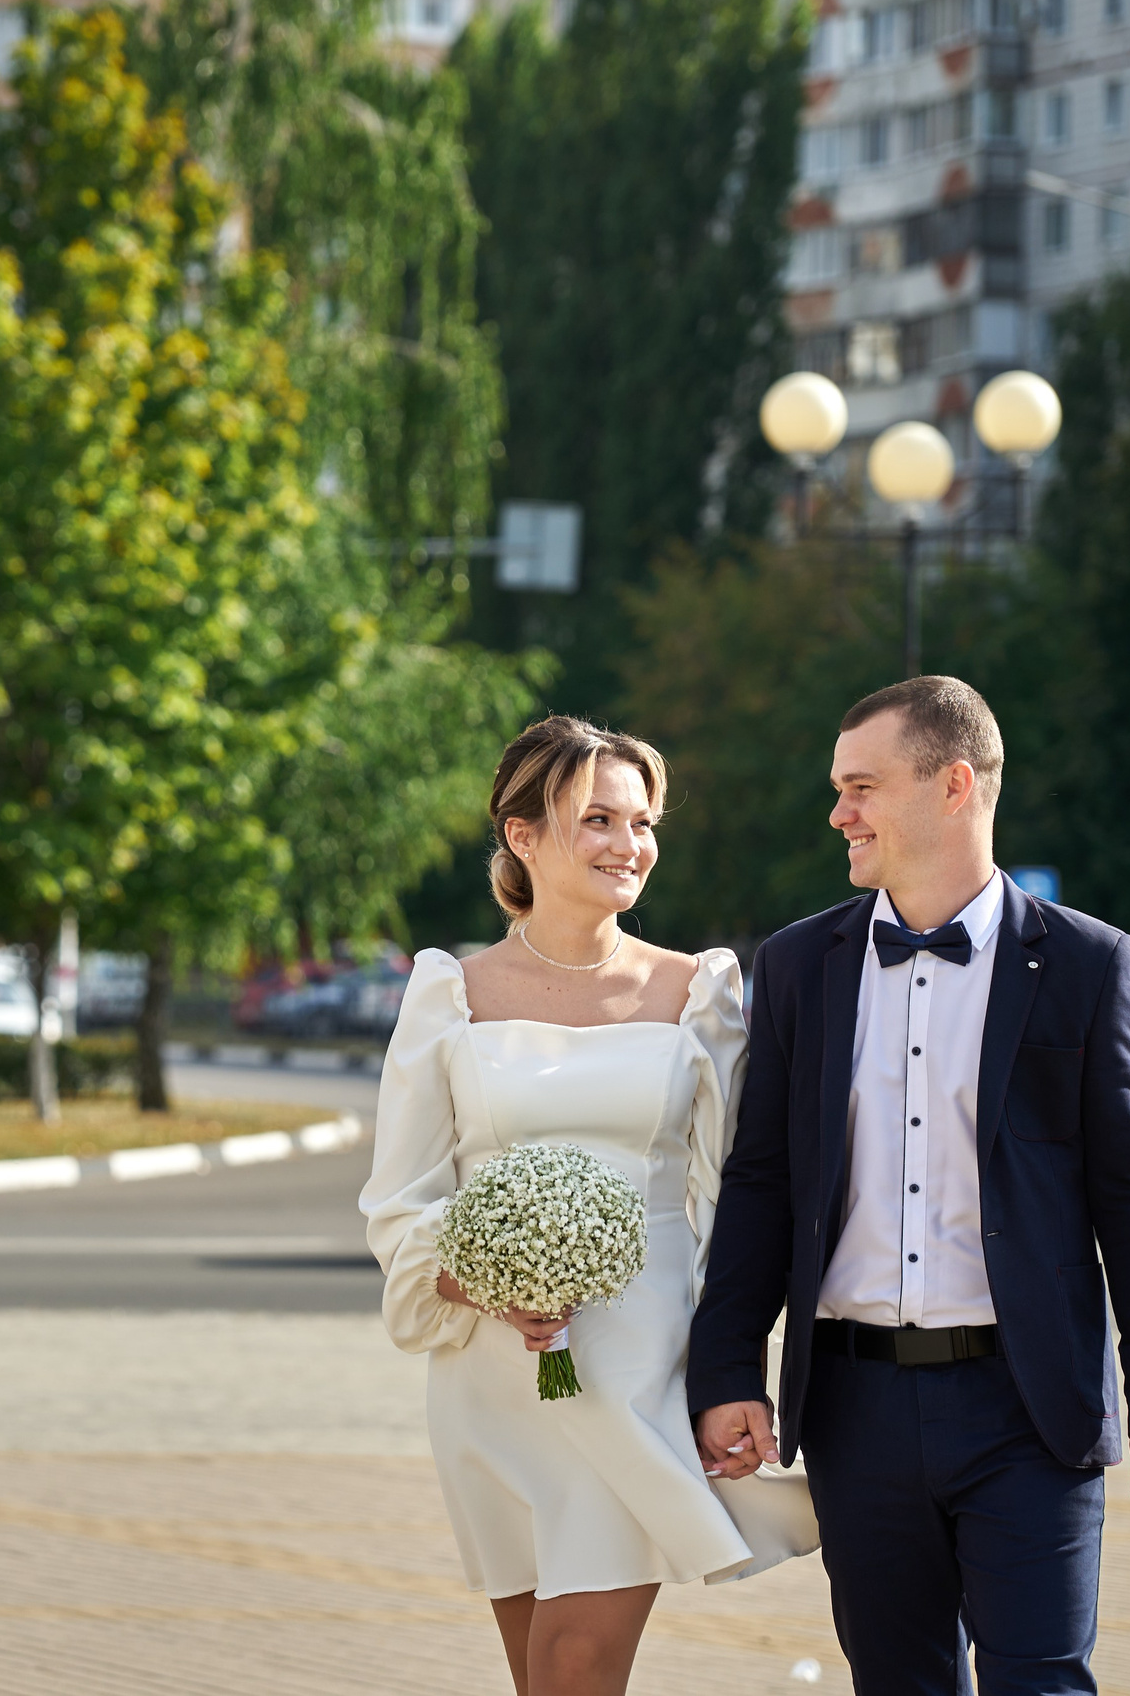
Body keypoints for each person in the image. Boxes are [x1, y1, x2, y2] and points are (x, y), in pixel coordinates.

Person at [689, 676, 1130, 1696]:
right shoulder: (797, 964)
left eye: (862, 786)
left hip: (1029, 1402)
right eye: (839, 789)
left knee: (1040, 1680)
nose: (839, 813)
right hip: (853, 1407)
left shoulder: (1086, 962)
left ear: (954, 784)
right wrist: (726, 1369)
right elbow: (761, 1182)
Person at [362, 716, 818, 1696]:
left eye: (641, 821)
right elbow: (400, 1193)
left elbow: (736, 1192)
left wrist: (732, 1363)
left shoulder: (697, 991)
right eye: (598, 818)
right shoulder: (450, 993)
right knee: (540, 1673)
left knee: (576, 1662)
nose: (629, 844)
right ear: (522, 835)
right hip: (492, 1370)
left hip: (638, 1357)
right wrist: (478, 1280)